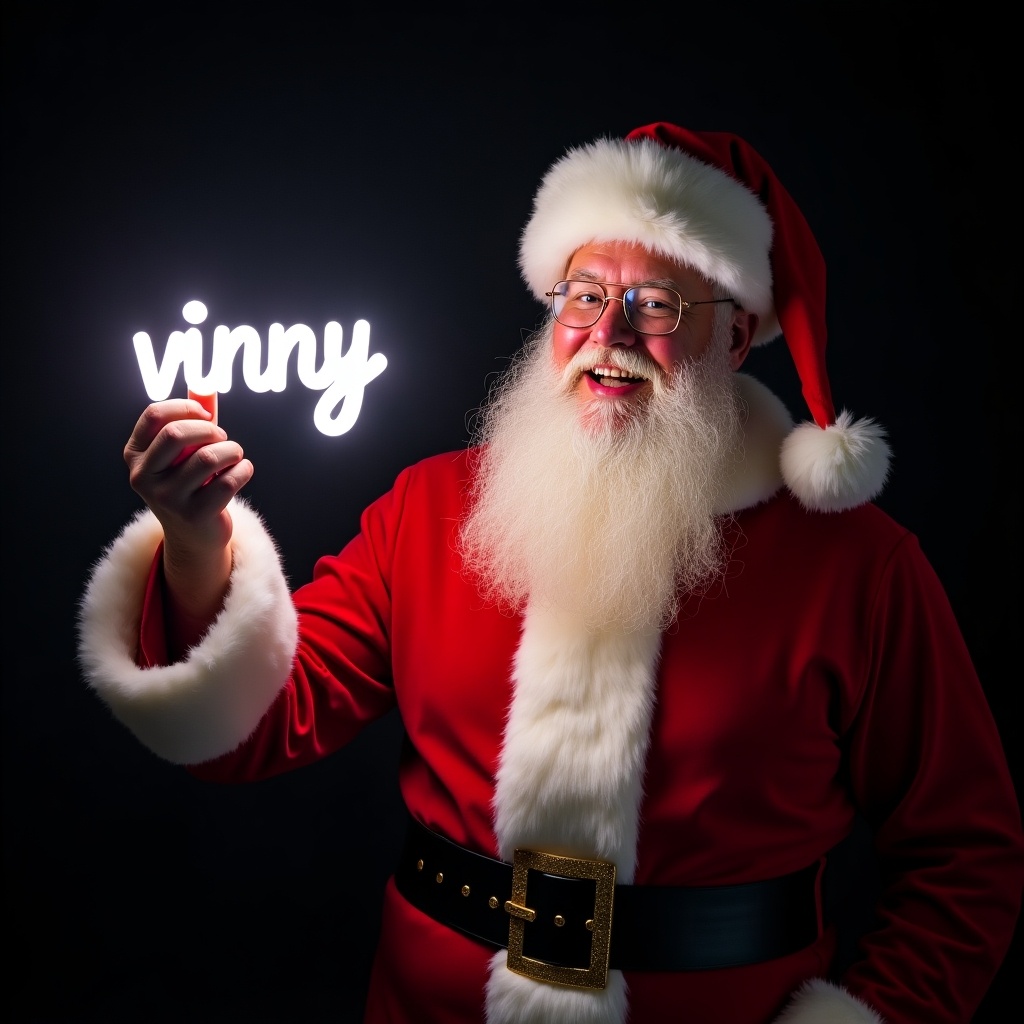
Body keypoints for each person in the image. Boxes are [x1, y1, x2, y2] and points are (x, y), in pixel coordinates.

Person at [78, 122, 1024, 1024]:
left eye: (657, 301)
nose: (608, 329)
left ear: (736, 339)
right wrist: (197, 543)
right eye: (583, 293)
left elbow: (964, 856)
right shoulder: (432, 511)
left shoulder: (857, 568)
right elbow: (256, 725)